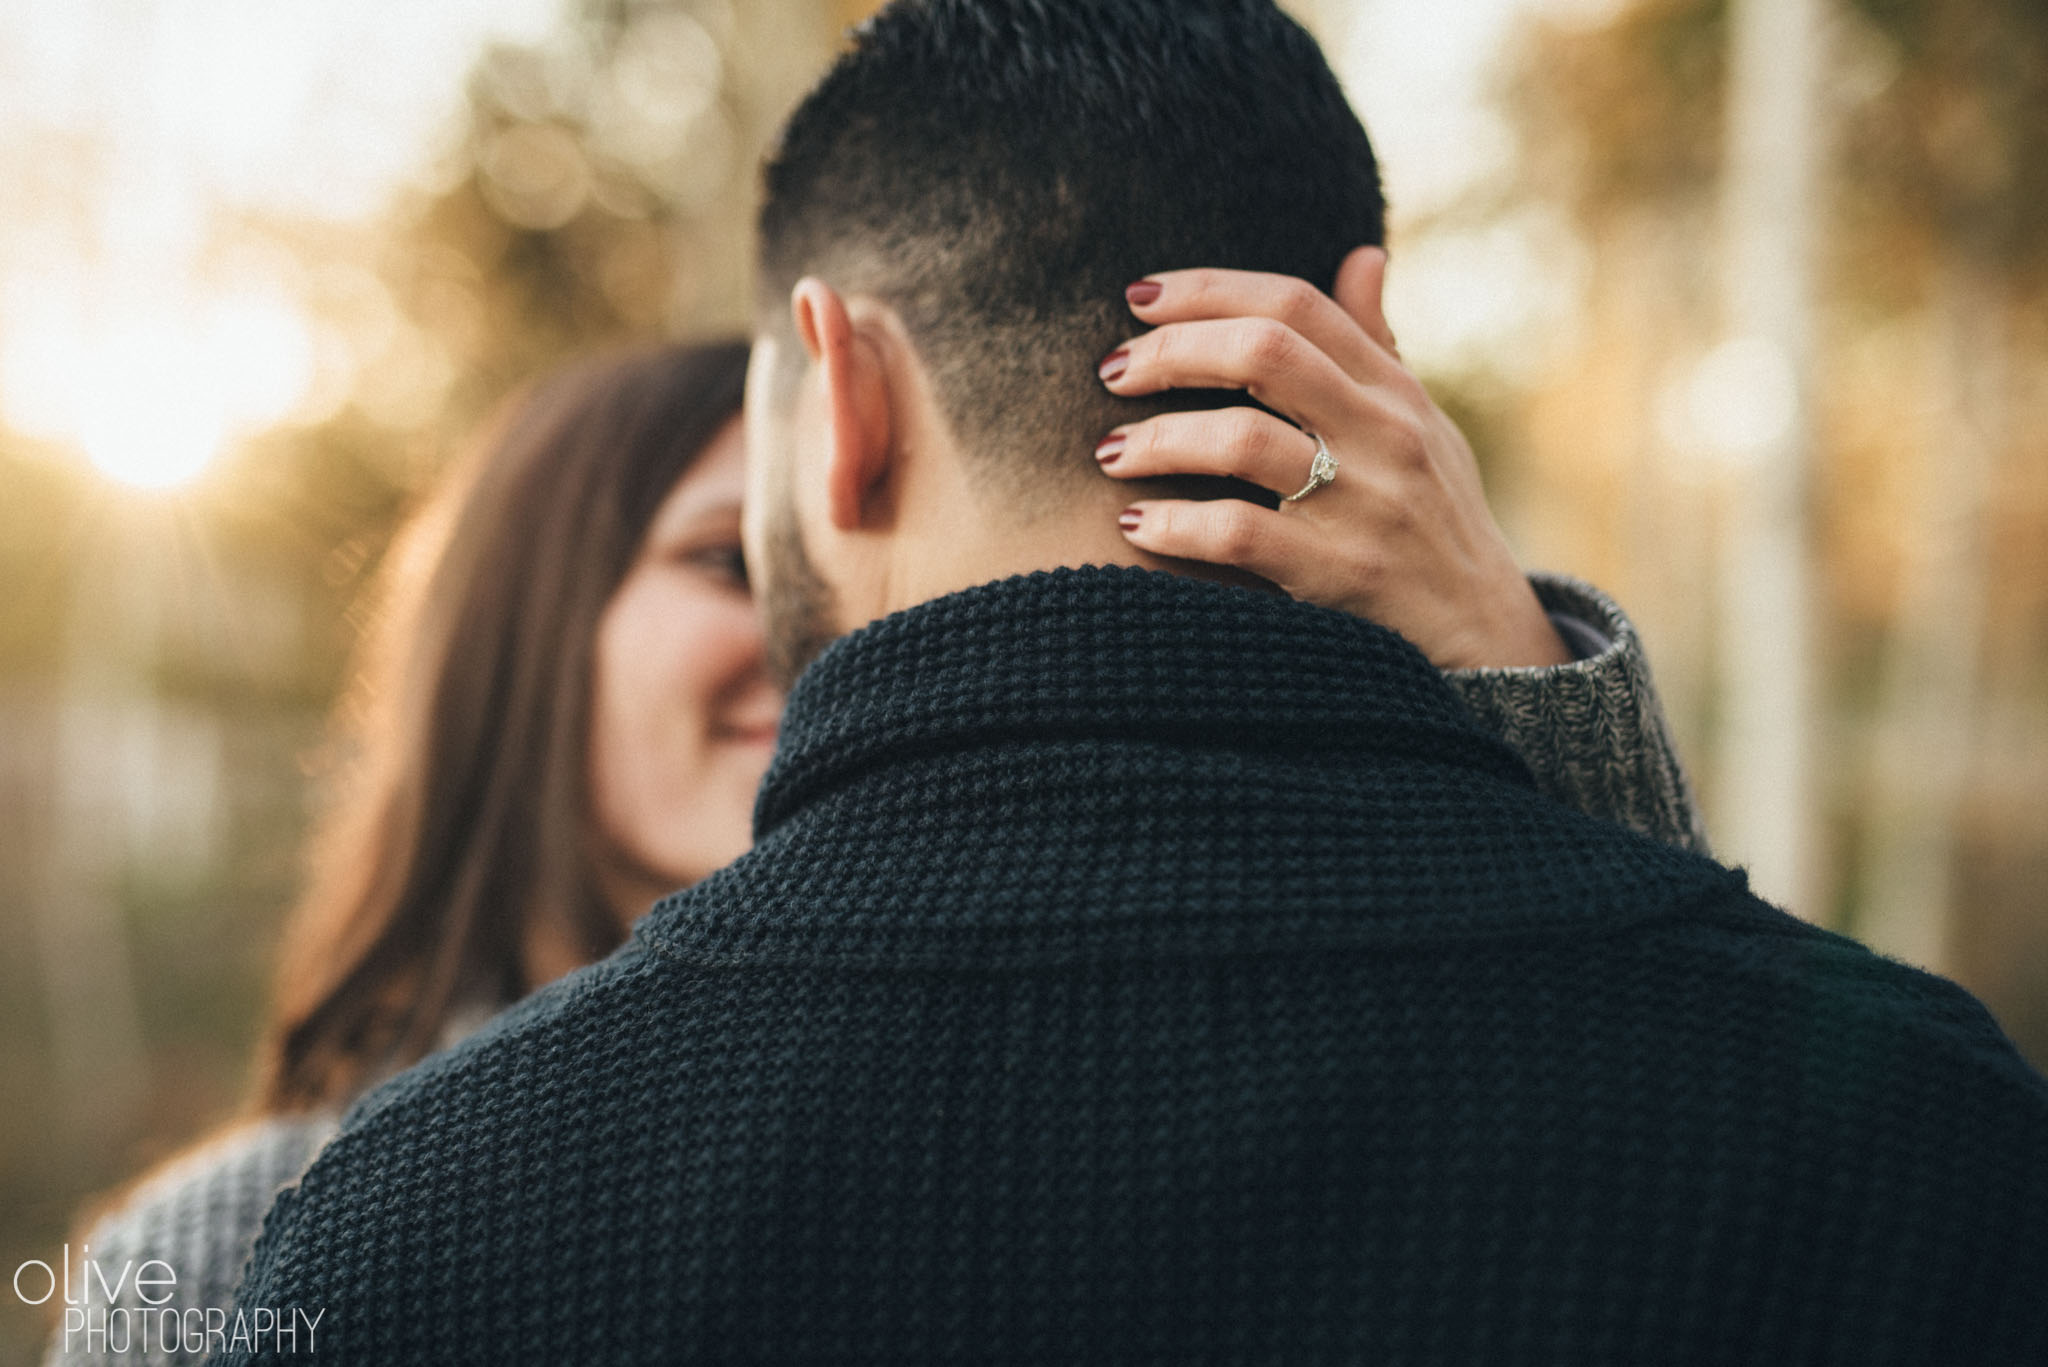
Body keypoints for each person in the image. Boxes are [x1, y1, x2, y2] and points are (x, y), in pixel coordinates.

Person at [212, 2, 2048, 1363]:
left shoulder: (415, 1227)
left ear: (839, 399)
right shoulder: (1929, 1136)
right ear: (1369, 348)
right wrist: (1528, 706)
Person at [55, 331, 1694, 1364]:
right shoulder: (225, 1256)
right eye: (725, 563)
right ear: (522, 636)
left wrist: (1513, 672)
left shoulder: (1059, 1137)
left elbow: (1674, 1171)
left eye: (844, 573)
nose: (816, 641)